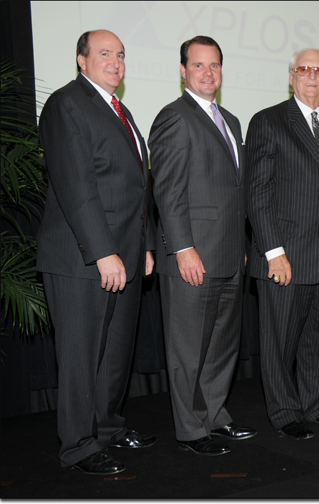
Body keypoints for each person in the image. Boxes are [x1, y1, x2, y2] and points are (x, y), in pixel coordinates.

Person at [37, 30, 156, 475]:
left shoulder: (119, 110)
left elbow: (136, 186)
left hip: (124, 254)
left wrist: (143, 246)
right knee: (81, 354)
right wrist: (103, 252)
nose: (115, 61)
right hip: (81, 257)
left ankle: (106, 428)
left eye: (121, 54)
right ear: (81, 60)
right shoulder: (67, 104)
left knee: (114, 351)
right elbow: (76, 186)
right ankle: (78, 446)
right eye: (105, 53)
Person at [149, 35, 256, 456]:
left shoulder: (230, 119)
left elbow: (235, 190)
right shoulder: (174, 117)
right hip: (193, 255)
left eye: (214, 65)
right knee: (188, 349)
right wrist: (182, 248)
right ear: (183, 71)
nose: (207, 72)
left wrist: (243, 243)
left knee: (221, 346)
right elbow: (168, 191)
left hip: (229, 253)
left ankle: (215, 416)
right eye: (198, 65)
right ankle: (192, 430)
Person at [246, 49, 319, 440]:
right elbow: (256, 193)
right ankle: (285, 411)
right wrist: (273, 251)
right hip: (285, 257)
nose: (312, 77)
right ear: (291, 76)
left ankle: (315, 404)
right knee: (279, 341)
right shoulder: (269, 121)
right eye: (304, 70)